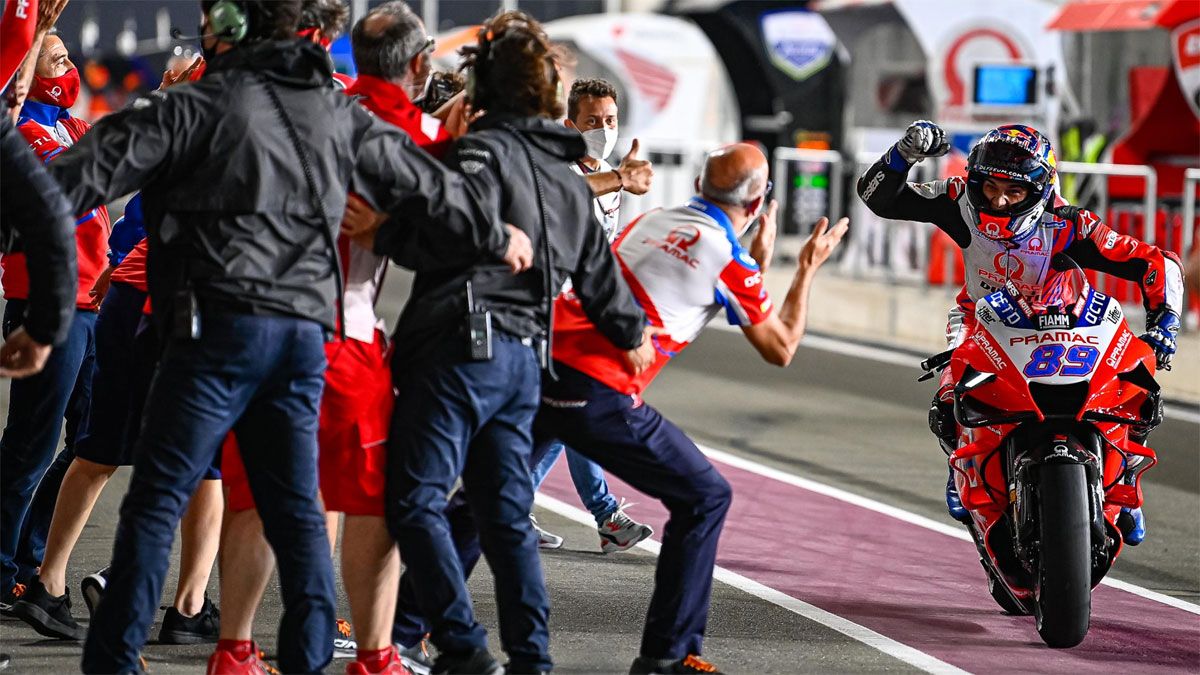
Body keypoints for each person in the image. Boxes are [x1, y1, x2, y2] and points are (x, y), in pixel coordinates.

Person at [44, 0, 520, 671]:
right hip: (306, 338)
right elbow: (446, 199)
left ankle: (127, 658)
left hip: (205, 334)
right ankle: (311, 657)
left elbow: (59, 189)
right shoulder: (345, 114)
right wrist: (500, 231)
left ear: (225, 29)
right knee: (300, 513)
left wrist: (40, 312)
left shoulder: (191, 105)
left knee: (158, 502)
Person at [379, 11, 657, 674]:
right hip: (525, 361)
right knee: (504, 515)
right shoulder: (566, 179)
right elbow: (600, 276)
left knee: (415, 501)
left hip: (454, 350)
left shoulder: (471, 154)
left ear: (483, 89)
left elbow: (411, 238)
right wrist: (631, 335)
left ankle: (462, 642)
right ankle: (531, 657)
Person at [216, 3, 452, 673]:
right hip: (345, 335)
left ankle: (235, 647)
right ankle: (375, 655)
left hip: (257, 327)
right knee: (369, 500)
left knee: (264, 492)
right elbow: (464, 221)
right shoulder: (421, 130)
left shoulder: (303, 105)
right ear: (418, 65)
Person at [856, 121, 1185, 543]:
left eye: (1014, 192)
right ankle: (962, 467)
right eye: (990, 188)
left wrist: (1165, 324)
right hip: (981, 317)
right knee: (947, 404)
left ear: (1041, 191)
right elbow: (878, 198)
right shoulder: (958, 199)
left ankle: (1126, 493)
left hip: (1066, 322)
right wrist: (904, 153)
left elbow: (1157, 263)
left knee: (1136, 390)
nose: (999, 200)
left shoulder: (1070, 223)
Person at [0, 31, 111, 617]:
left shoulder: (69, 123)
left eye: (69, 57)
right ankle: (2, 572)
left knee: (90, 442)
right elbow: (77, 179)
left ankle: (30, 558)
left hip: (91, 302)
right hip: (47, 301)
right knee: (30, 445)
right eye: (57, 59)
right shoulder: (21, 130)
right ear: (26, 71)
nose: (70, 68)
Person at [528, 77, 654, 553]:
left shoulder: (610, 173)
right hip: (542, 312)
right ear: (570, 125)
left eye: (609, 121)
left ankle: (521, 504)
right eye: (592, 122)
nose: (602, 130)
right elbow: (566, 199)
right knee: (574, 409)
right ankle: (602, 514)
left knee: (569, 413)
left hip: (577, 316)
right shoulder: (560, 169)